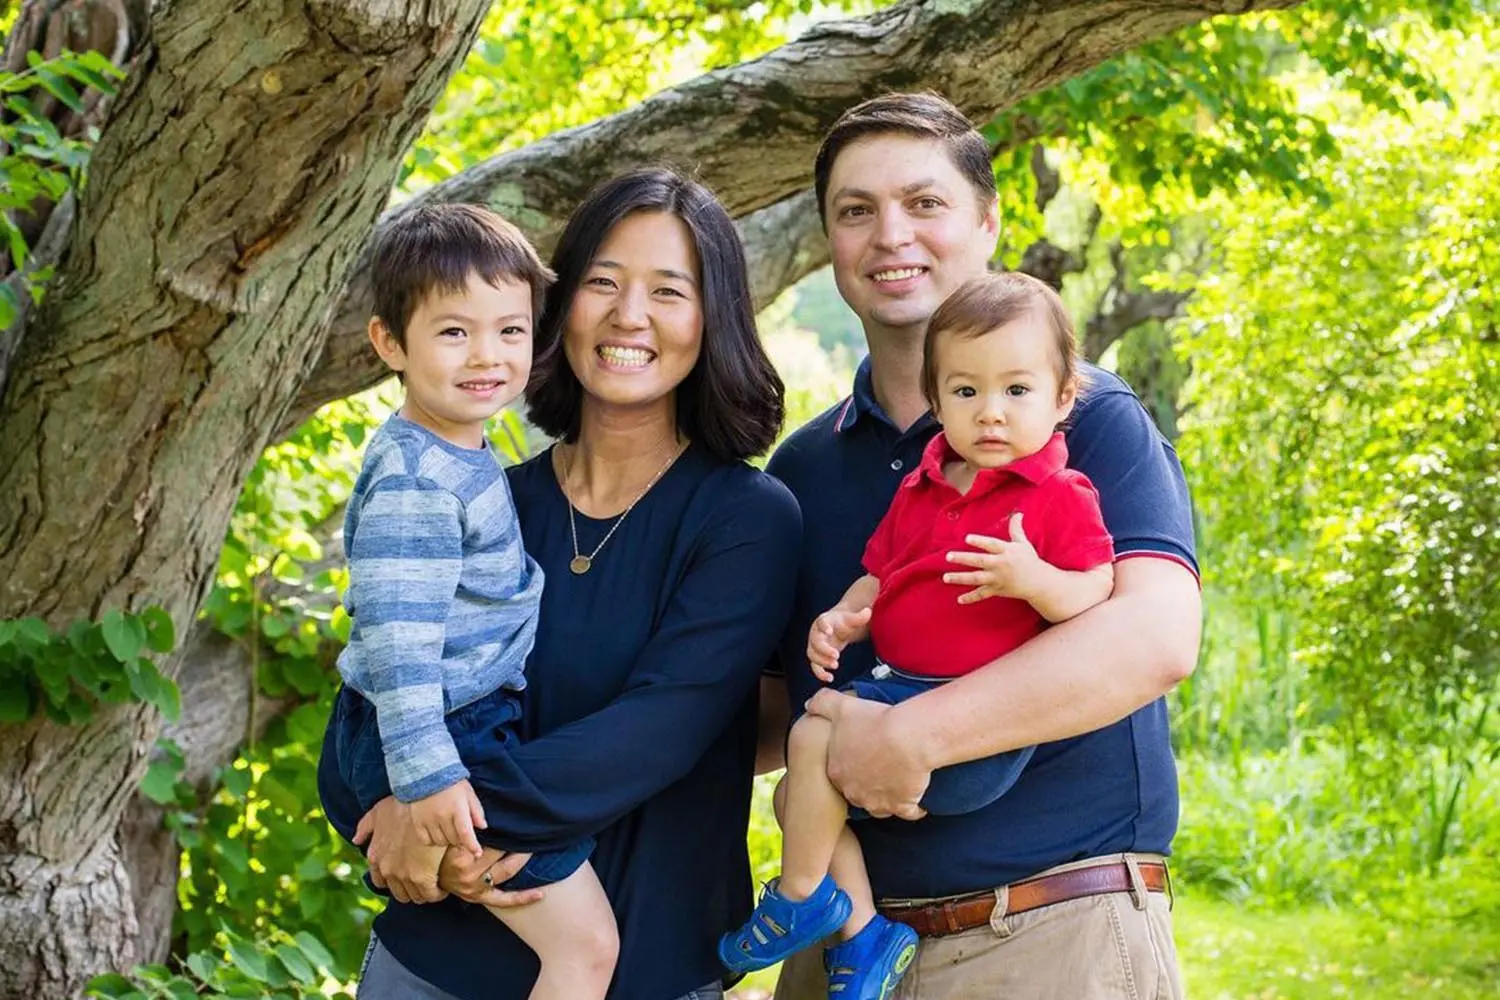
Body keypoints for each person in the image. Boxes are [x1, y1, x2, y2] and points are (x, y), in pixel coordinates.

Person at [317, 168, 801, 1000]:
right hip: (432, 965)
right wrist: (400, 808)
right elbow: (374, 690)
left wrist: (438, 820)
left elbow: (658, 732)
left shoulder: (746, 519)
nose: (629, 315)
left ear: (713, 316)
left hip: (645, 965)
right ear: (558, 306)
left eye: (668, 291)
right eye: (602, 283)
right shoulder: (482, 498)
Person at [763, 93, 1200, 999]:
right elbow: (766, 709)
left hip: (1050, 932)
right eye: (856, 210)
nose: (891, 235)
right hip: (847, 945)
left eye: (924, 203)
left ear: (988, 222)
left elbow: (1156, 638)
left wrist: (913, 737)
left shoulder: (1087, 419)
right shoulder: (803, 467)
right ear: (830, 240)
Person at [723, 272, 1115, 996]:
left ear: (1063, 398)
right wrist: (845, 617)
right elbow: (882, 574)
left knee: (813, 755)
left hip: (975, 725)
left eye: (1017, 391)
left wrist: (1034, 580)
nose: (990, 412)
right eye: (966, 392)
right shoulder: (923, 487)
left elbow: (1096, 591)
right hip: (896, 688)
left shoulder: (1059, 494)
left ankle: (801, 897)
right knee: (797, 788)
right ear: (937, 401)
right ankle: (861, 933)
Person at [328, 202, 620, 999]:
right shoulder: (418, 483)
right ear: (390, 343)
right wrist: (425, 779)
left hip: (447, 725)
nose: (487, 355)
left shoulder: (452, 450)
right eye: (454, 332)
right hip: (443, 731)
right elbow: (397, 643)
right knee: (587, 948)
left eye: (510, 330)